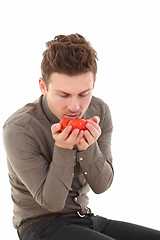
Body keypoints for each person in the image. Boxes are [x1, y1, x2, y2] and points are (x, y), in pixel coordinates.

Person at [3, 33, 160, 240]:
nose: (75, 107)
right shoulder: (19, 128)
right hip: (38, 225)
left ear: (94, 82)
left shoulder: (99, 110)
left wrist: (89, 148)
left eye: (84, 94)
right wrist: (64, 148)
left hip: (85, 218)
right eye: (64, 95)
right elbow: (52, 203)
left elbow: (101, 185)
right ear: (43, 87)